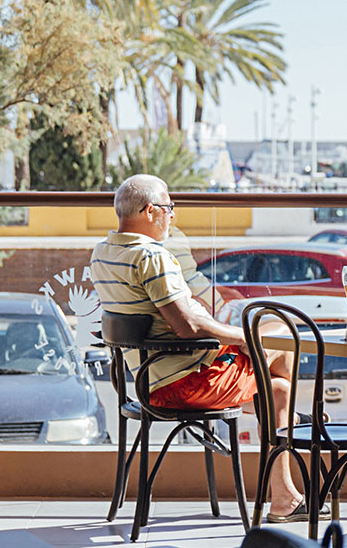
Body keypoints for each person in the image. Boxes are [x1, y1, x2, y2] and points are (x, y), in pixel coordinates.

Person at [93, 174, 310, 521]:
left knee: (279, 390)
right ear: (150, 211)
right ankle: (286, 442)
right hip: (184, 383)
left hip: (146, 381)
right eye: (168, 208)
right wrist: (243, 337)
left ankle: (285, 477)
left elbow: (172, 315)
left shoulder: (104, 252)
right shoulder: (152, 257)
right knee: (282, 339)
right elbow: (188, 326)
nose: (172, 216)